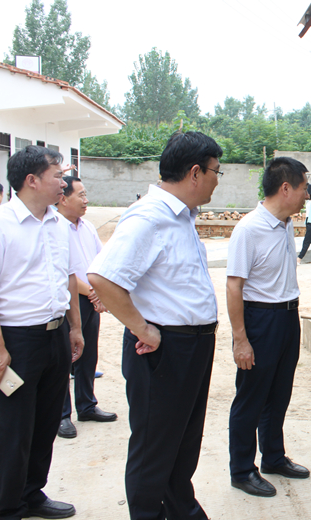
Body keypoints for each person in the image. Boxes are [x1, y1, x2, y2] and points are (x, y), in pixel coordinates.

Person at [88, 131, 223, 520]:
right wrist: (142, 329)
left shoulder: (180, 217)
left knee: (182, 444)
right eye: (216, 171)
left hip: (192, 347)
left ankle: (181, 509)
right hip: (167, 351)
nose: (218, 179)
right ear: (195, 172)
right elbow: (103, 278)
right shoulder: (150, 216)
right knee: (154, 449)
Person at [0, 146, 84, 520]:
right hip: (17, 341)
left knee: (47, 420)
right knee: (13, 428)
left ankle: (32, 492)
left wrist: (75, 327)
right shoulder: (2, 225)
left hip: (55, 335)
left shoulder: (59, 225)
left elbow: (67, 278)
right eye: (56, 175)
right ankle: (6, 505)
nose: (63, 181)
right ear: (32, 180)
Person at [227, 157, 311, 498]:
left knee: (279, 394)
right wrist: (240, 340)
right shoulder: (249, 229)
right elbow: (234, 286)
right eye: (304, 188)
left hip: (288, 317)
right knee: (251, 398)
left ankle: (274, 457)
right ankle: (242, 470)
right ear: (286, 188)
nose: (307, 195)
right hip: (261, 321)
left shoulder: (286, 223)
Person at [56, 176, 117, 440]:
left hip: (92, 297)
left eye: (85, 194)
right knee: (66, 356)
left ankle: (87, 405)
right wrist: (93, 293)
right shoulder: (55, 227)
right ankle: (61, 415)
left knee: (88, 353)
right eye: (80, 195)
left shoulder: (88, 227)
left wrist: (100, 293)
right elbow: (63, 271)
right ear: (63, 198)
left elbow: (98, 262)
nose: (86, 200)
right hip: (70, 299)